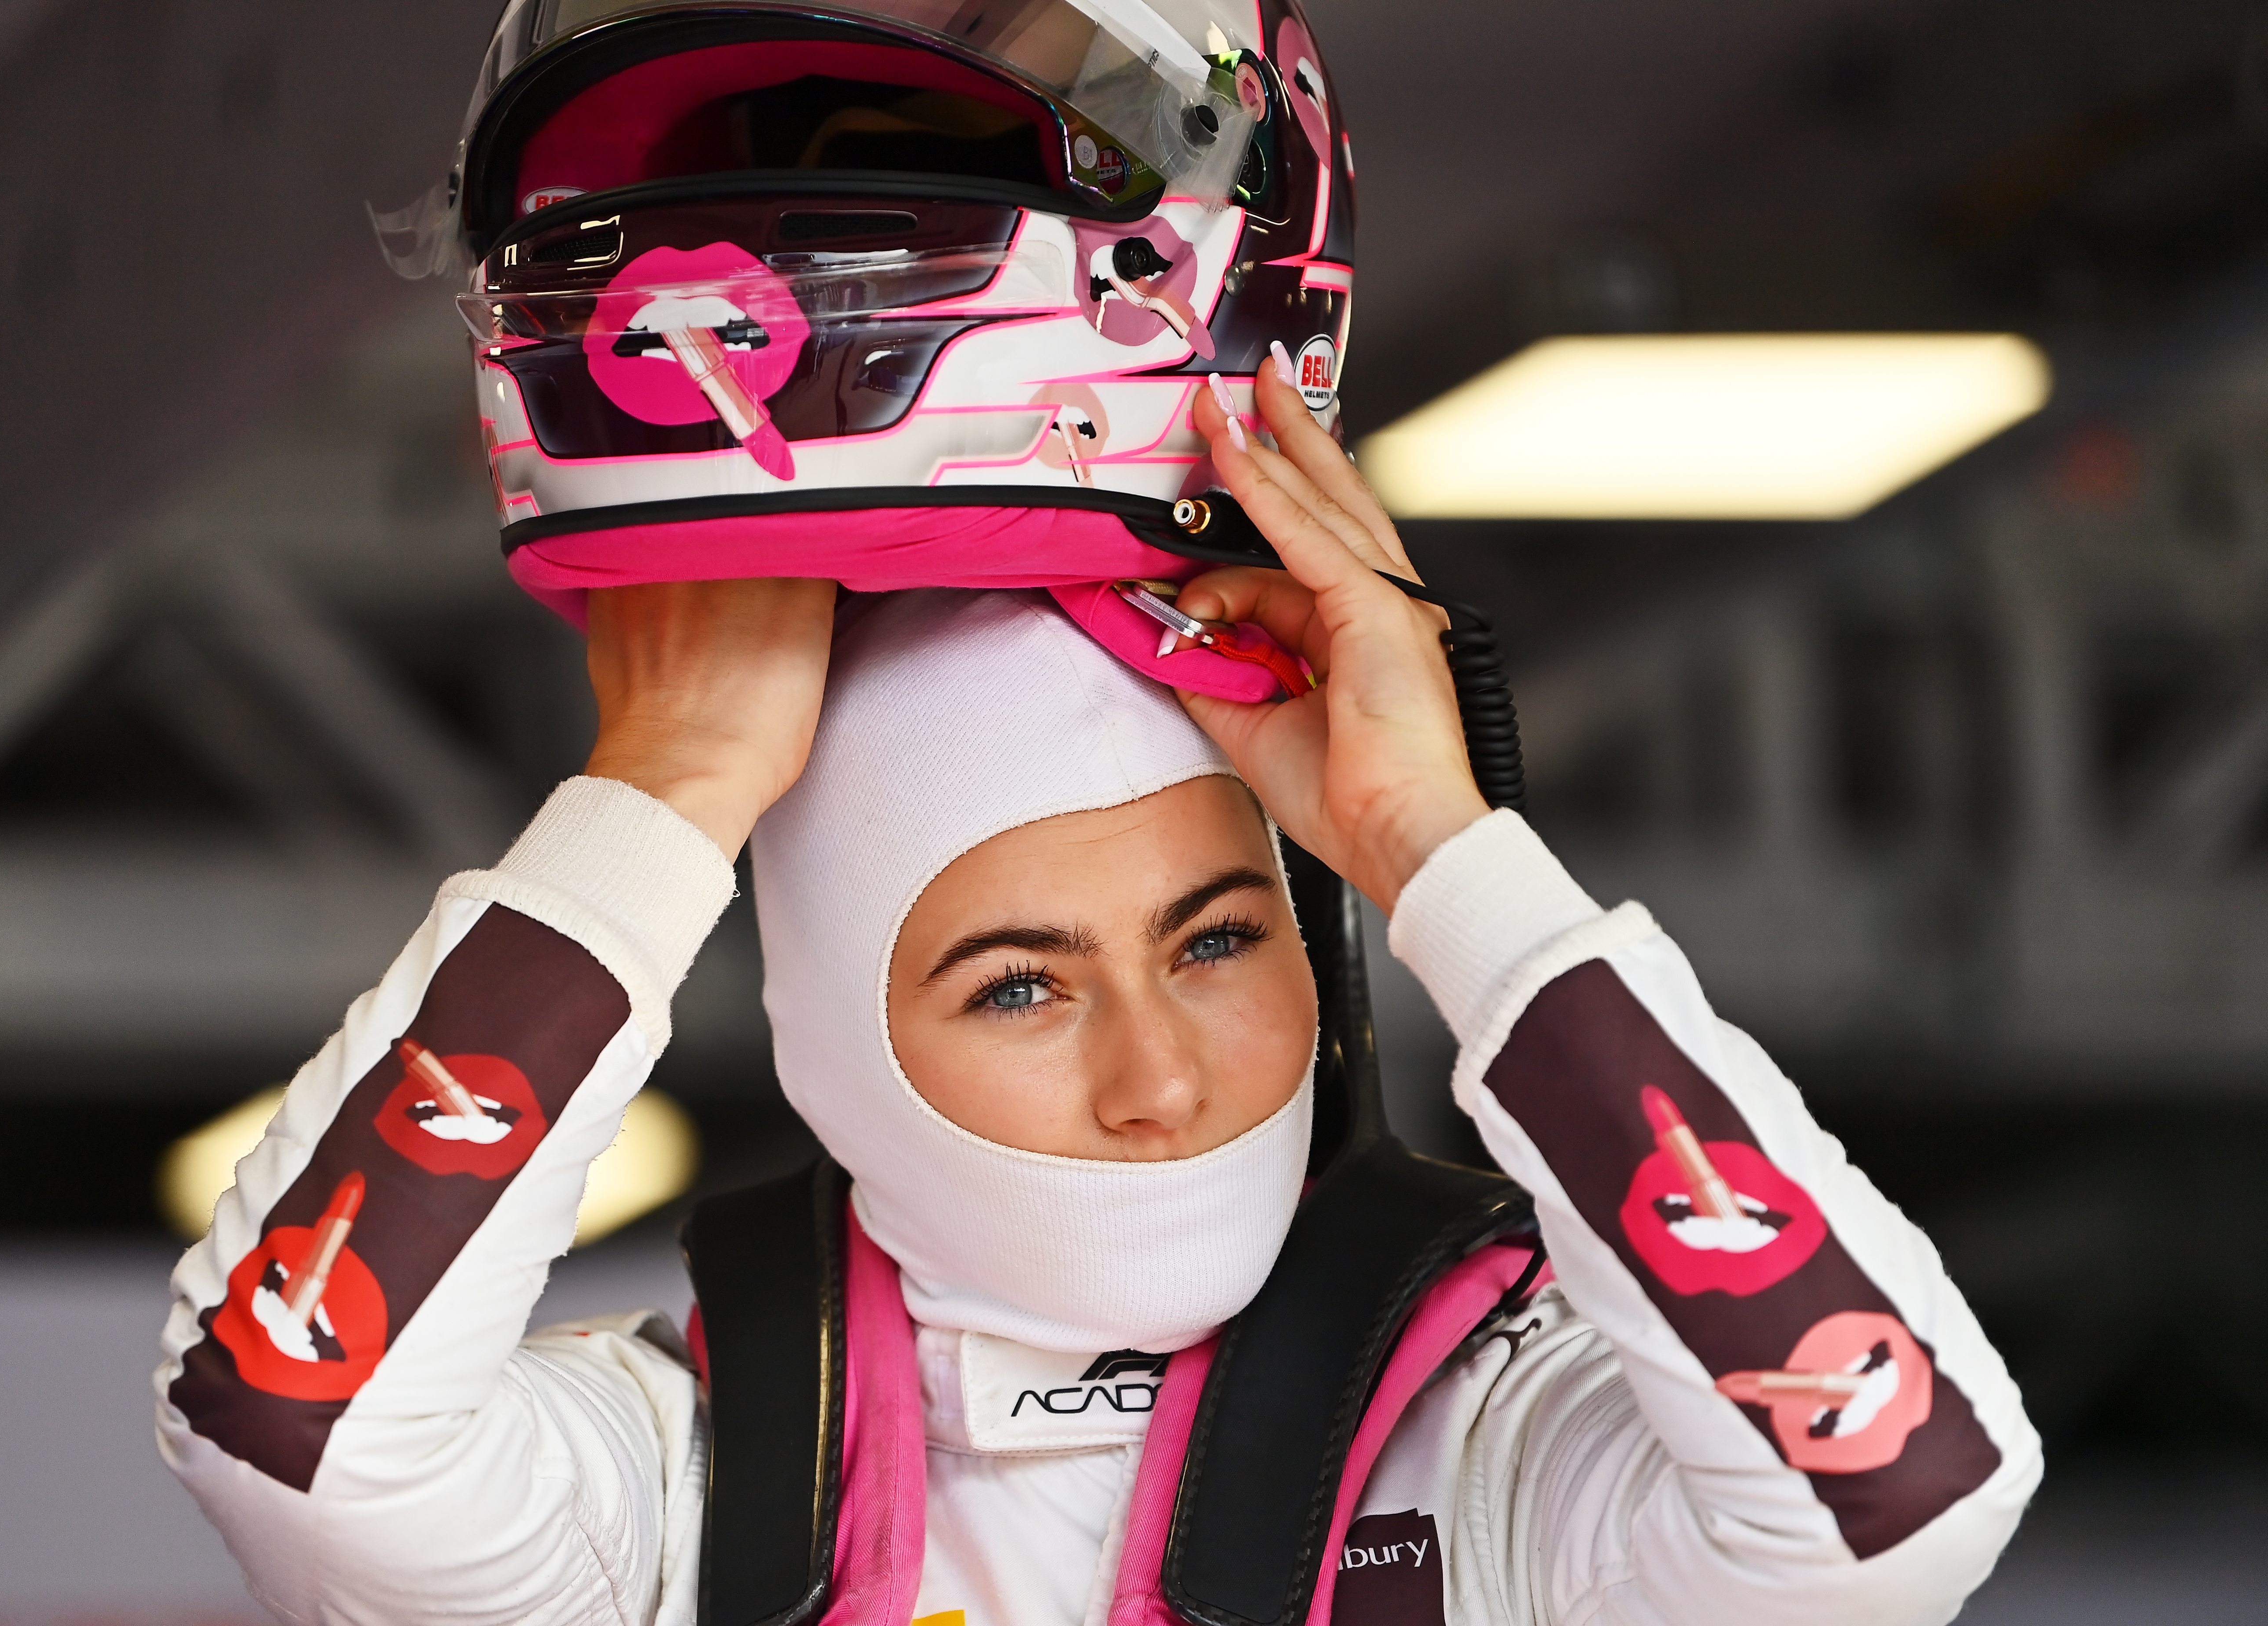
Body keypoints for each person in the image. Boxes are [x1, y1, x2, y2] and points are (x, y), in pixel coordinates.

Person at [155, 361, 2038, 1625]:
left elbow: (1903, 1495)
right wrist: (667, 793)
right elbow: (295, 1433)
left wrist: (1438, 848)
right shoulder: (672, 1496)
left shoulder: (1495, 1455)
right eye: (1017, 991)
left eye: (1218, 941)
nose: (1162, 1082)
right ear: (832, 1044)